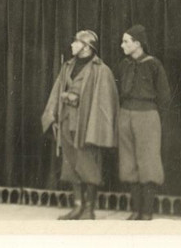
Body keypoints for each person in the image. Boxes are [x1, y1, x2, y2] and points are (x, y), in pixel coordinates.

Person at [41, 30, 118, 220]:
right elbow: (57, 90)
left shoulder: (101, 70)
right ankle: (77, 206)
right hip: (67, 122)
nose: (72, 45)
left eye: (76, 42)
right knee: (71, 165)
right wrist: (52, 114)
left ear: (87, 47)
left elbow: (105, 102)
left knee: (89, 166)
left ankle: (89, 209)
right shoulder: (67, 66)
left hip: (87, 125)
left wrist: (78, 99)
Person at [116, 25, 171, 220]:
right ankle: (136, 210)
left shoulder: (154, 64)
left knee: (148, 163)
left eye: (126, 41)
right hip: (125, 115)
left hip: (147, 116)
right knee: (128, 163)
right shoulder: (123, 65)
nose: (122, 45)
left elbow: (164, 97)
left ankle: (147, 212)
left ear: (138, 44)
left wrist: (155, 120)